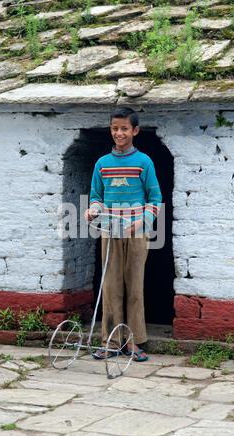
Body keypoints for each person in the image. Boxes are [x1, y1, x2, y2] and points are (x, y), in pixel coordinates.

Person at [84, 107, 162, 362]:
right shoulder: (102, 164)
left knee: (135, 287)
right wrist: (93, 210)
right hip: (110, 230)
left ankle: (134, 341)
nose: (119, 133)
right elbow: (96, 196)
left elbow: (155, 198)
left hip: (137, 233)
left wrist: (142, 221)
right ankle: (110, 341)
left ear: (135, 131)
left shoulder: (144, 162)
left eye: (124, 129)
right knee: (111, 286)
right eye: (115, 129)